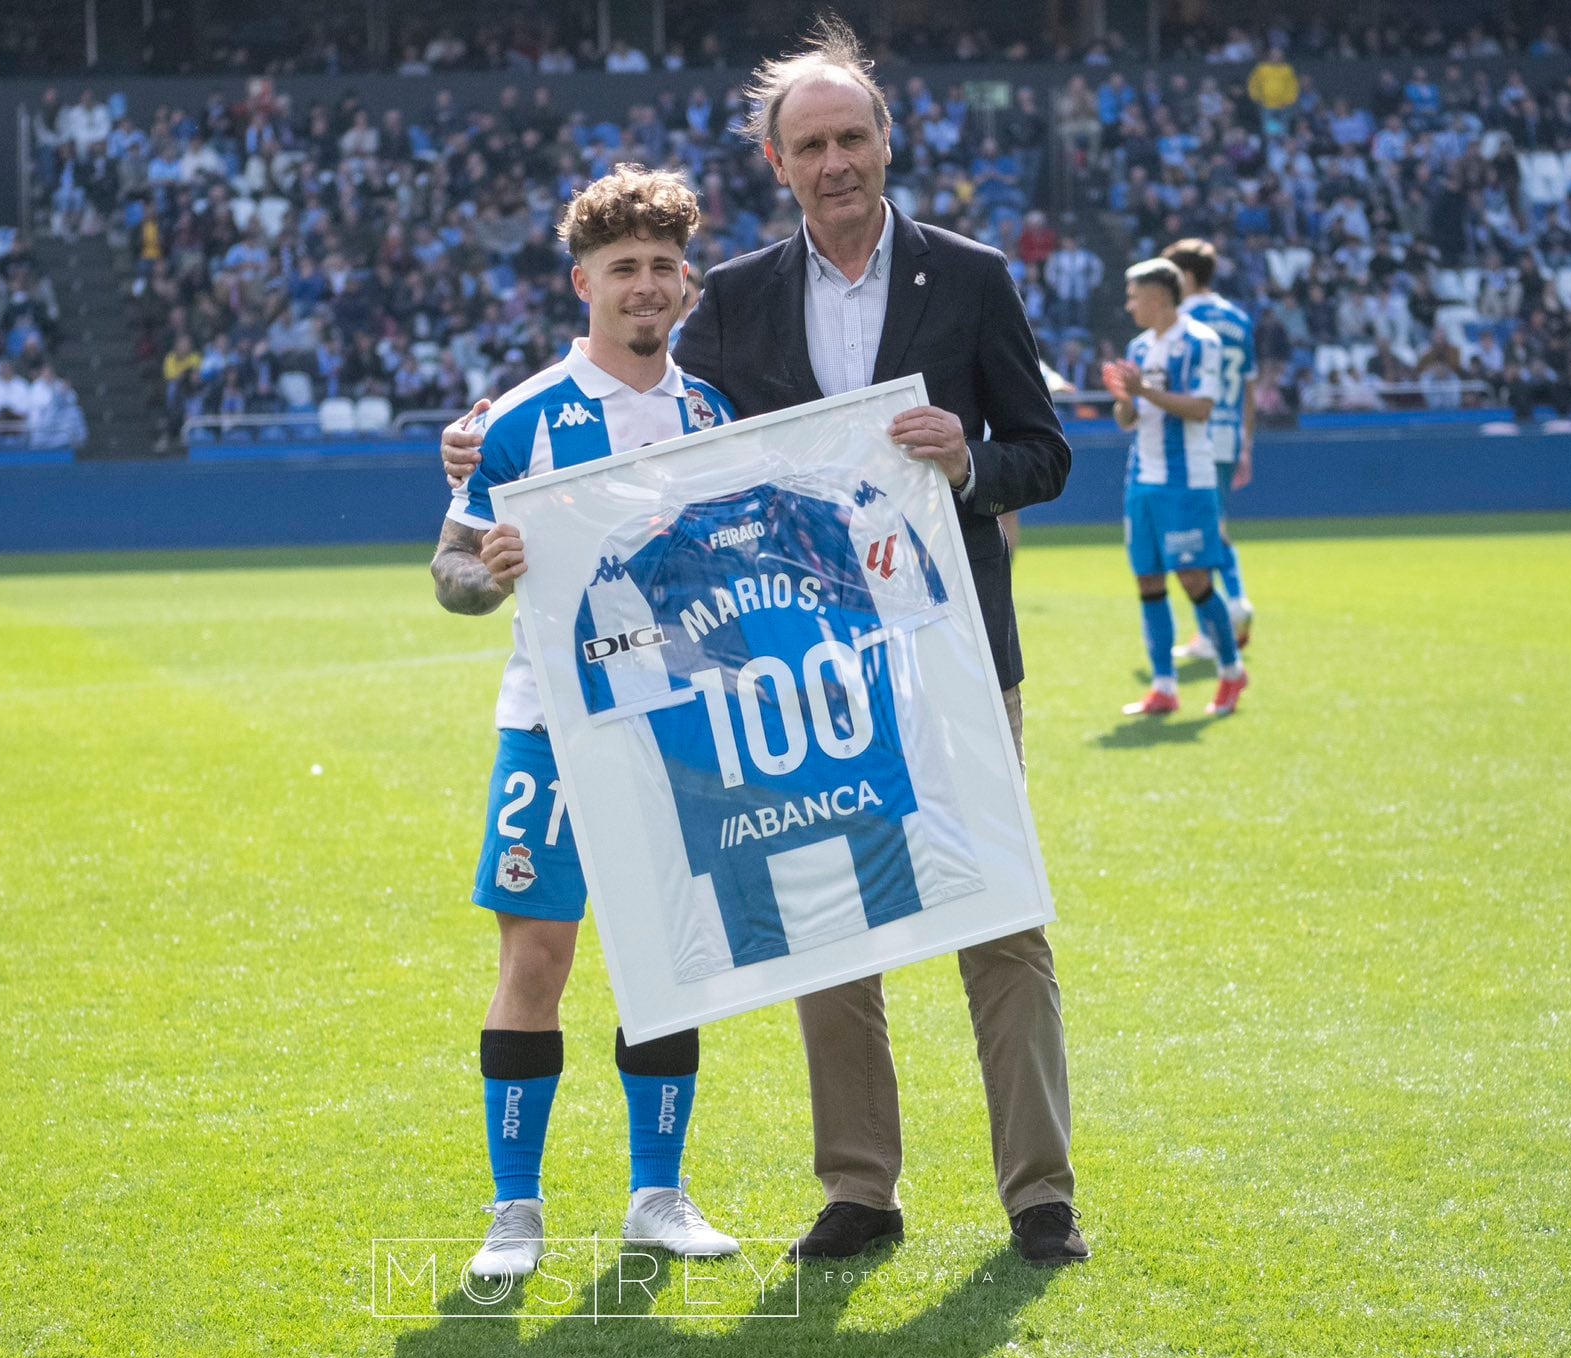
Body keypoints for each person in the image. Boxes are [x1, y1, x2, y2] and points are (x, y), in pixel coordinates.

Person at [442, 15, 1082, 1269]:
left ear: (884, 142)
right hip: (796, 667)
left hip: (948, 653)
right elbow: (636, 422)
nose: (836, 160)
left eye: (853, 136)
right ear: (777, 163)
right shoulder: (726, 299)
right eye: (811, 144)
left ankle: (1038, 1195)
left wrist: (969, 461)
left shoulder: (969, 277)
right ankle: (859, 1190)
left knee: (998, 918)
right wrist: (486, 452)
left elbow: (1046, 456)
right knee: (828, 916)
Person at [428, 166, 740, 1281]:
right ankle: (515, 1212)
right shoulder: (515, 420)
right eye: (623, 269)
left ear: (685, 283)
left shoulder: (709, 416)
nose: (644, 286)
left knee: (665, 956)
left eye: (661, 267)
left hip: (674, 721)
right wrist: (489, 572)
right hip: (552, 725)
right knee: (537, 954)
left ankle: (656, 1194)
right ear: (583, 282)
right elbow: (449, 572)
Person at [1106, 258, 1248, 719]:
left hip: (1187, 481)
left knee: (1194, 580)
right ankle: (1164, 685)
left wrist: (1142, 391)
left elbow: (1202, 409)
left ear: (1159, 298)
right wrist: (1126, 400)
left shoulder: (1200, 342)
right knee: (1148, 580)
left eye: (1134, 296)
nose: (1129, 306)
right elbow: (1127, 418)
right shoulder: (1140, 347)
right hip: (1141, 479)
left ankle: (1231, 670)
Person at [1162, 238, 1258, 663]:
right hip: (1229, 433)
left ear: (1183, 277)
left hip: (1191, 435)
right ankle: (1235, 599)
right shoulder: (1239, 318)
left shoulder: (1181, 320)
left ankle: (1217, 622)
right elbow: (1249, 390)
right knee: (1214, 522)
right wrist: (1246, 444)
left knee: (1194, 534)